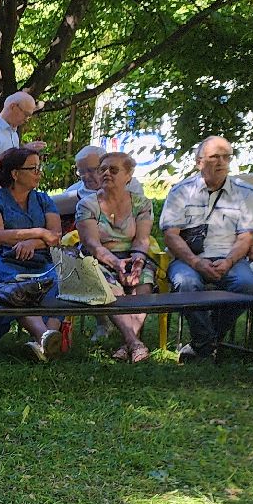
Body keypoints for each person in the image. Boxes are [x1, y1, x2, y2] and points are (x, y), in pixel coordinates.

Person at [161, 136, 253, 357]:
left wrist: (227, 262)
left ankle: (203, 341)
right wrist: (196, 262)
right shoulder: (181, 191)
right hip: (188, 258)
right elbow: (171, 236)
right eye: (215, 157)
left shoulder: (246, 193)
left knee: (246, 284)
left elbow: (246, 237)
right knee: (185, 282)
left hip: (230, 258)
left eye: (226, 157)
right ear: (199, 162)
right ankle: (208, 342)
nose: (221, 162)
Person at [0, 145, 63, 359]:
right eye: (33, 168)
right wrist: (37, 232)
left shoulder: (43, 200)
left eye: (39, 168)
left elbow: (55, 236)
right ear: (15, 173)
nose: (38, 173)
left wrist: (34, 243)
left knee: (57, 278)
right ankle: (44, 336)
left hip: (39, 258)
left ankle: (45, 340)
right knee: (12, 282)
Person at [73, 150, 155, 363]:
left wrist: (136, 262)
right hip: (98, 258)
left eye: (114, 169)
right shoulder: (87, 204)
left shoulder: (142, 204)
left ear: (129, 175)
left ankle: (126, 344)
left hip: (131, 255)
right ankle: (134, 343)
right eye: (103, 169)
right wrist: (117, 264)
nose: (106, 173)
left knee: (143, 282)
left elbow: (142, 239)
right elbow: (92, 244)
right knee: (112, 288)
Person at [0, 91, 45, 177]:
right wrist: (19, 153)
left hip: (8, 186)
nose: (26, 119)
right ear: (13, 107)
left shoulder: (13, 133)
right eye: (26, 114)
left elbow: (11, 162)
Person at [62, 144, 146, 203]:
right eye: (81, 172)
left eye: (91, 170)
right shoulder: (72, 192)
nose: (86, 176)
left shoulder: (130, 185)